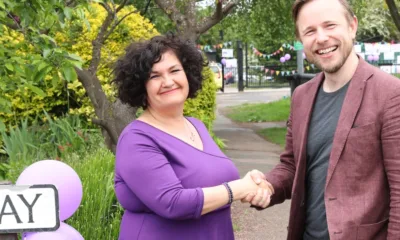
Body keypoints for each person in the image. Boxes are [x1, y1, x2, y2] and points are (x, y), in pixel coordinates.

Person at [246, 0, 400, 239]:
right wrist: (267, 186)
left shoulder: (390, 93)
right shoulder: (302, 96)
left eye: (330, 25)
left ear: (352, 26)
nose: (321, 38)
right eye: (310, 31)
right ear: (301, 39)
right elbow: (291, 165)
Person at [112, 33, 272, 240]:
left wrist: (254, 186)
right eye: (154, 76)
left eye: (174, 70)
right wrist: (240, 188)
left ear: (187, 74)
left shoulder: (196, 125)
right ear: (140, 85)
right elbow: (172, 203)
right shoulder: (136, 139)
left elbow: (215, 182)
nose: (168, 81)